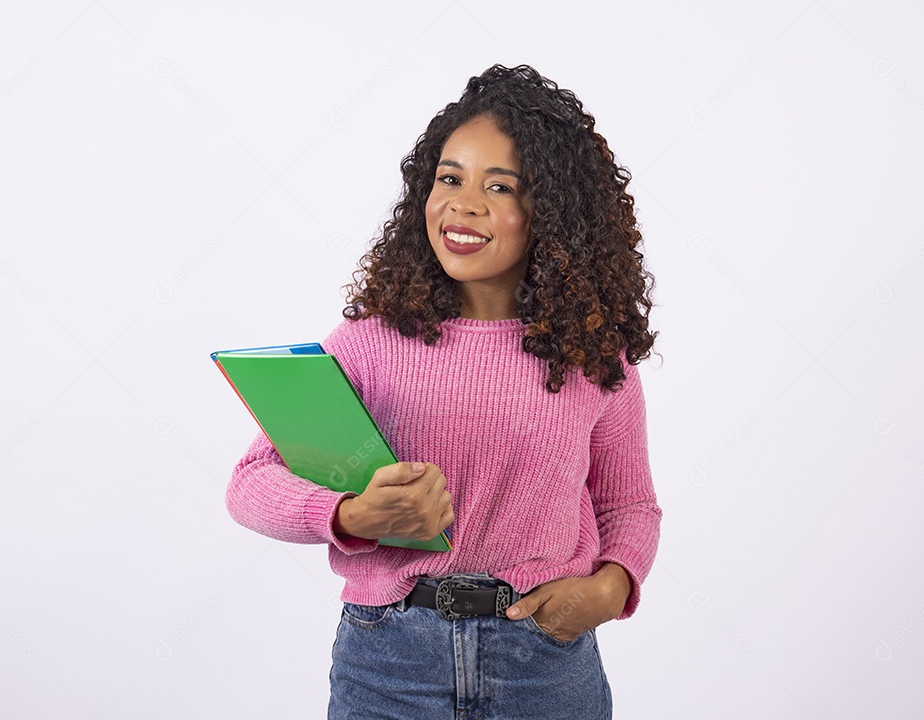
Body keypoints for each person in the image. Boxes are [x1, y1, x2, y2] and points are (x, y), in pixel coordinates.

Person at [225, 63, 661, 719]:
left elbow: (629, 507)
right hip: (389, 667)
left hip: (545, 668)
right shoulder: (371, 342)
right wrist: (350, 515)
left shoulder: (594, 357)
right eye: (449, 179)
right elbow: (252, 482)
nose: (464, 203)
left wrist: (610, 587)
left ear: (552, 212)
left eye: (500, 187)